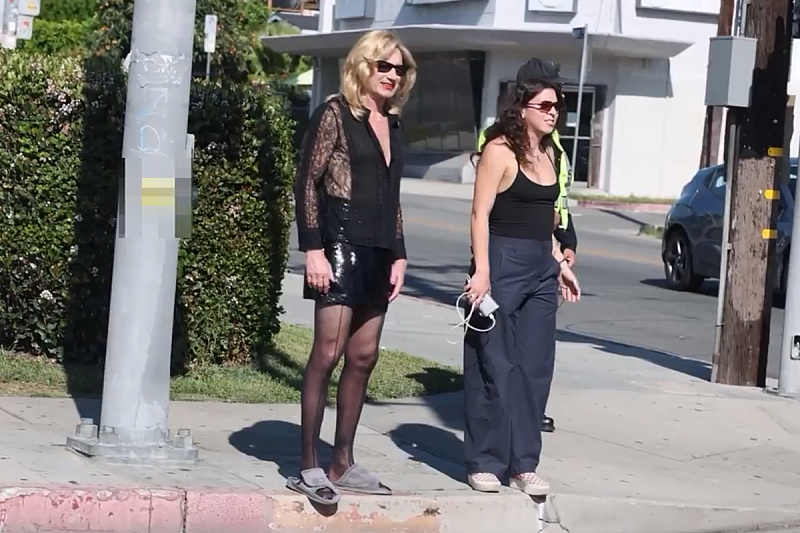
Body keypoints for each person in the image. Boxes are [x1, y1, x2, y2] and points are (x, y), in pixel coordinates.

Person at [287, 29, 417, 506]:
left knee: (364, 357)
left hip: (379, 250)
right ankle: (308, 465)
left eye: (399, 68)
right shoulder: (334, 114)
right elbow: (307, 182)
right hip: (338, 244)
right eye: (383, 65)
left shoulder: (393, 122)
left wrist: (399, 252)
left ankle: (342, 459)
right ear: (363, 65)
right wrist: (313, 250)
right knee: (327, 353)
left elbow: (393, 195)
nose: (391, 75)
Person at [463, 74, 581, 496]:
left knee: (534, 369)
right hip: (501, 260)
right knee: (493, 366)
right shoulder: (499, 150)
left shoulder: (549, 152)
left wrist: (559, 262)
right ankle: (485, 462)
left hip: (540, 267)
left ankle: (523, 463)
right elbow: (480, 215)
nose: (553, 113)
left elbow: (543, 220)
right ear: (522, 108)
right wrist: (481, 271)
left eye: (557, 106)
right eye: (546, 105)